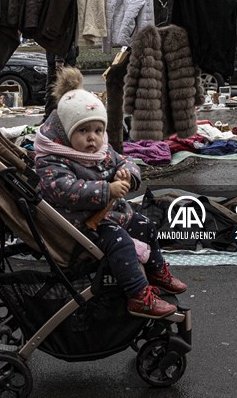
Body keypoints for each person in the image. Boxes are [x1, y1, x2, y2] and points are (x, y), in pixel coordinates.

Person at [34, 67, 186, 319]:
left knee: (145, 224)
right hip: (80, 223)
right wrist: (107, 189)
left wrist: (128, 173)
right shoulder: (53, 158)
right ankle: (138, 296)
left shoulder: (99, 150)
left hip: (107, 214)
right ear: (66, 132)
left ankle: (156, 270)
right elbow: (63, 190)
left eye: (97, 130)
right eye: (83, 131)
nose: (92, 138)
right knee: (121, 243)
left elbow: (124, 160)